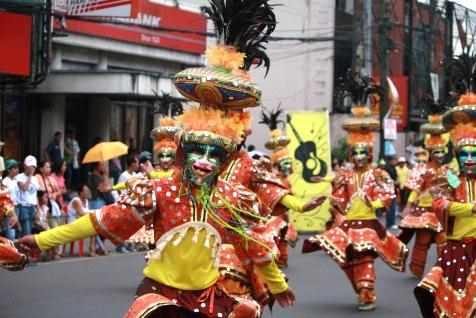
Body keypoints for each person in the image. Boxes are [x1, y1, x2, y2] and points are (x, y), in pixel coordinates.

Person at [17, 2, 296, 315]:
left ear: (225, 160)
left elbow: (255, 247)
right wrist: (41, 241)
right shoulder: (158, 191)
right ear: (181, 153)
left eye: (213, 154)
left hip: (208, 300)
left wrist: (279, 285)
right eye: (196, 151)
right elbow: (99, 220)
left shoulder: (231, 200)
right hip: (160, 299)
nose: (203, 161)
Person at [302, 105, 408, 311]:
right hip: (349, 223)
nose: (359, 156)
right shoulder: (347, 176)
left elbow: (388, 195)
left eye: (363, 152)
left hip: (369, 224)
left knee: (364, 255)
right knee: (346, 257)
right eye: (356, 152)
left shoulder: (377, 174)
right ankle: (361, 288)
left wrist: (374, 203)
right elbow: (339, 194)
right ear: (351, 153)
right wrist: (332, 196)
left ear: (369, 153)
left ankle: (366, 292)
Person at [398, 115, 450, 279]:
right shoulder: (421, 169)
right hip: (425, 211)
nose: (440, 154)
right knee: (423, 241)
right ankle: (416, 268)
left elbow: (457, 187)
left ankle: (443, 270)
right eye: (437, 152)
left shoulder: (448, 170)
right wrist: (408, 206)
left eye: (442, 151)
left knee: (444, 241)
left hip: (443, 210)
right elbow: (414, 190)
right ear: (430, 152)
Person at [15, 155, 40, 237]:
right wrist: (29, 176)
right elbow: (24, 188)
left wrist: (38, 209)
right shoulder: (19, 177)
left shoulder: (35, 179)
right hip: (23, 207)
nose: (32, 169)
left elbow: (35, 195)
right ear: (25, 166)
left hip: (32, 207)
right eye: (30, 166)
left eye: (33, 167)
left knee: (30, 231)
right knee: (26, 231)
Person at [2, 159, 19, 240]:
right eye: (14, 168)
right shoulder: (5, 181)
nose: (17, 170)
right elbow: (5, 198)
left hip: (16, 207)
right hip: (8, 209)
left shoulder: (16, 180)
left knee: (16, 232)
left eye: (17, 167)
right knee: (10, 234)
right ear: (9, 169)